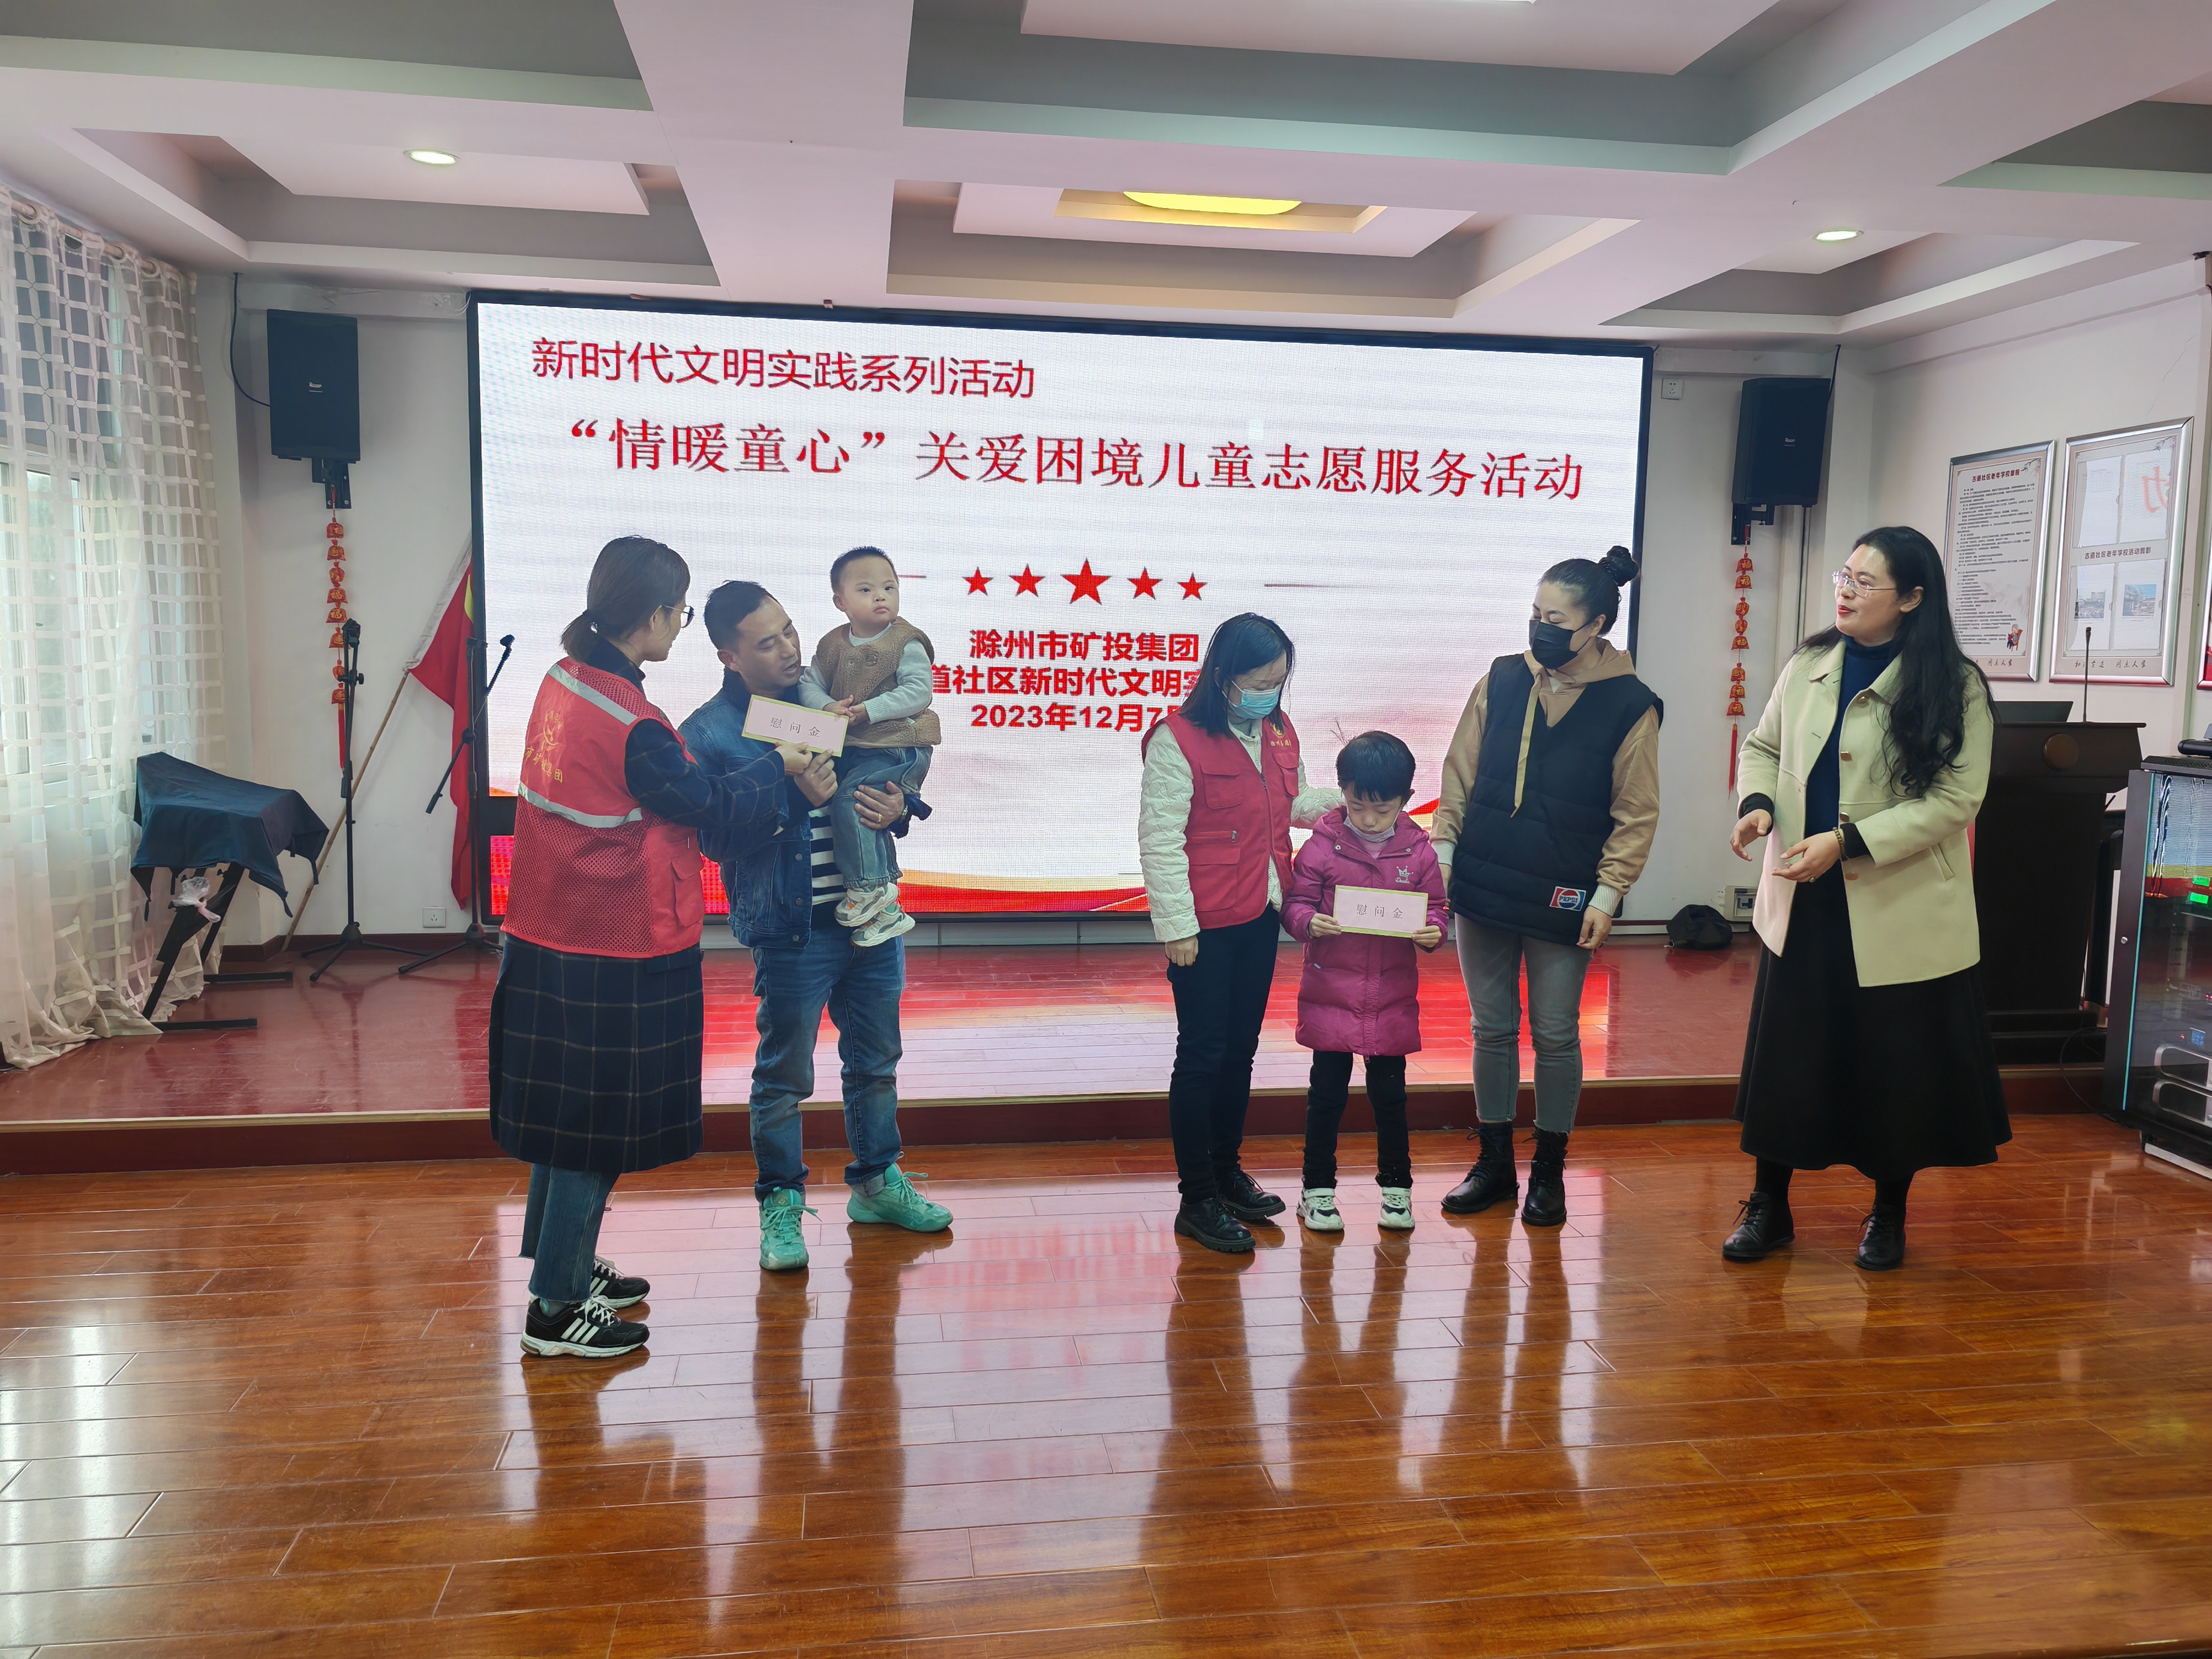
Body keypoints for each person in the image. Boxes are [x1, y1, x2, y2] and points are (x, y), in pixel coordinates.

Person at [494, 536, 789, 1359]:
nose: (681, 626)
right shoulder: (638, 724)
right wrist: (786, 766)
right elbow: (708, 805)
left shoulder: (564, 678)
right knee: (591, 1128)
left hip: (551, 927)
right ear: (656, 615)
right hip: (613, 942)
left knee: (563, 1121)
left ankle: (563, 1261)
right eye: (682, 613)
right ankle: (555, 1309)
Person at [1723, 525, 2007, 1273]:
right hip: (1804, 898)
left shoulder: (1954, 686)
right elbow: (1764, 746)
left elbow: (1955, 800)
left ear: (1911, 598)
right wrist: (1758, 803)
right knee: (1789, 1060)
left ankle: (1887, 1215)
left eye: (1863, 582)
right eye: (1843, 577)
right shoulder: (1810, 663)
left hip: (1896, 906)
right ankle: (1769, 1206)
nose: (1844, 592)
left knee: (1893, 1069)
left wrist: (1847, 841)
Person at [681, 579, 952, 1273]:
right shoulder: (709, 731)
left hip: (872, 919)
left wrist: (900, 807)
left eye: (789, 631)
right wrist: (789, 797)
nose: (788, 649)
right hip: (790, 927)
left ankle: (877, 1184)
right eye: (765, 642)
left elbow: (882, 779)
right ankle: (780, 1202)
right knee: (784, 1077)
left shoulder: (826, 700)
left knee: (876, 1064)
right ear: (728, 656)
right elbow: (712, 841)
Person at [1429, 545, 1660, 1227]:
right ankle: (1494, 1164)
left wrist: (1609, 893)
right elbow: (1458, 772)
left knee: (1556, 1034)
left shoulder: (1630, 703)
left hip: (1565, 892)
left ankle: (1549, 1170)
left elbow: (1636, 810)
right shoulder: (1502, 678)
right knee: (1490, 1029)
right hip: (1483, 880)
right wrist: (1443, 853)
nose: (1540, 628)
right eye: (1535, 614)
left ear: (1595, 626)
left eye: (1556, 619)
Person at [1138, 613, 1341, 1254]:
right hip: (1202, 925)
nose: (1267, 694)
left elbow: (1287, 804)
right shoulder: (1176, 737)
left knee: (1240, 1052)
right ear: (1222, 676)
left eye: (1277, 682)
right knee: (1202, 1054)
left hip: (1260, 912)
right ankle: (1196, 1197)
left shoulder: (1278, 730)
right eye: (1256, 683)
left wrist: (1350, 800)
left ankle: (1227, 1173)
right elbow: (1160, 840)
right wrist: (1176, 927)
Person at [1281, 732, 1448, 1235]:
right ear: (1343, 793)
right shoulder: (1321, 847)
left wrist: (1433, 932)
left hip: (1391, 998)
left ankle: (1397, 1193)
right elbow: (1296, 904)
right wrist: (1308, 923)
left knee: (1391, 1100)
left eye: (1382, 809)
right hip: (1331, 994)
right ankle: (1317, 1192)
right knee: (1326, 1097)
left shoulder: (1420, 853)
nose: (1370, 820)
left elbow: (1436, 909)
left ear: (1406, 799)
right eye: (1358, 807)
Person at [793, 546, 937, 948]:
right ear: (840, 602)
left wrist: (869, 710)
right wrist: (827, 706)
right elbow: (808, 684)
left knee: (849, 801)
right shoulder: (832, 644)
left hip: (900, 745)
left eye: (889, 587)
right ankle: (888, 912)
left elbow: (920, 691)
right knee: (864, 812)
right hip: (864, 747)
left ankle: (868, 887)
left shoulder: (906, 642)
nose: (880, 597)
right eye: (866, 589)